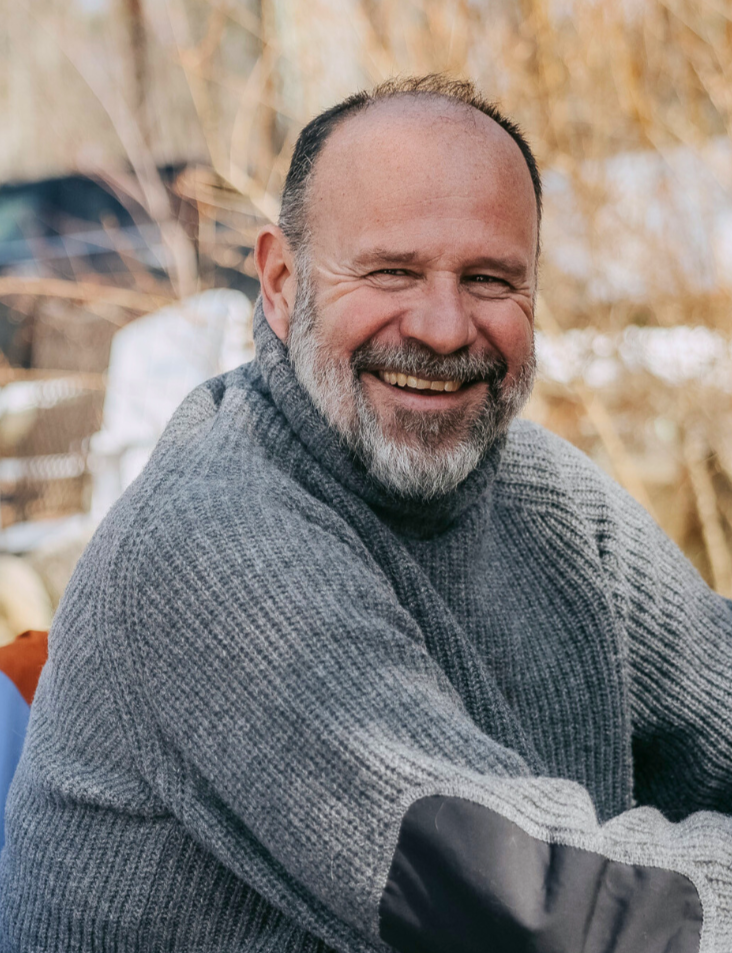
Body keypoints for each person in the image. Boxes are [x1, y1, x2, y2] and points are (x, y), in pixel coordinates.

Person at [1, 74, 730, 953]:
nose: (443, 326)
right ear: (278, 281)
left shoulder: (551, 502)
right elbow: (533, 913)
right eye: (392, 271)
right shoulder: (214, 546)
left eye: (492, 278)